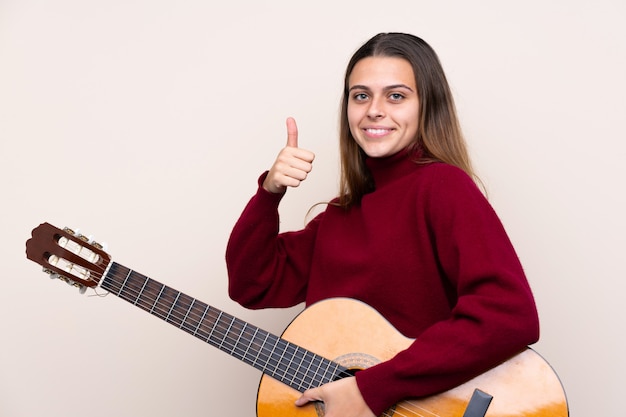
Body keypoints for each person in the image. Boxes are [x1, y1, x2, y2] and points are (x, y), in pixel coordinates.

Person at [225, 32, 539, 417]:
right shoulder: (340, 215)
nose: (374, 110)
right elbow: (250, 284)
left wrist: (372, 388)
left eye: (396, 96)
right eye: (360, 96)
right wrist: (269, 193)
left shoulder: (443, 187)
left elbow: (509, 315)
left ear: (427, 106)